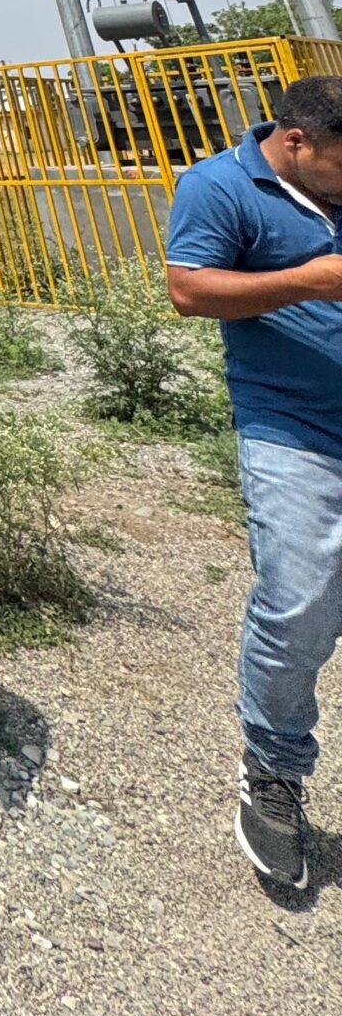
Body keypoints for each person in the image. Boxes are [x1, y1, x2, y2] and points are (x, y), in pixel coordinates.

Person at [166, 74, 342, 892]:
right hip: (292, 426)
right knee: (302, 596)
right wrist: (309, 279)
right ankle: (273, 767)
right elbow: (188, 289)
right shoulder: (219, 187)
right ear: (295, 142)